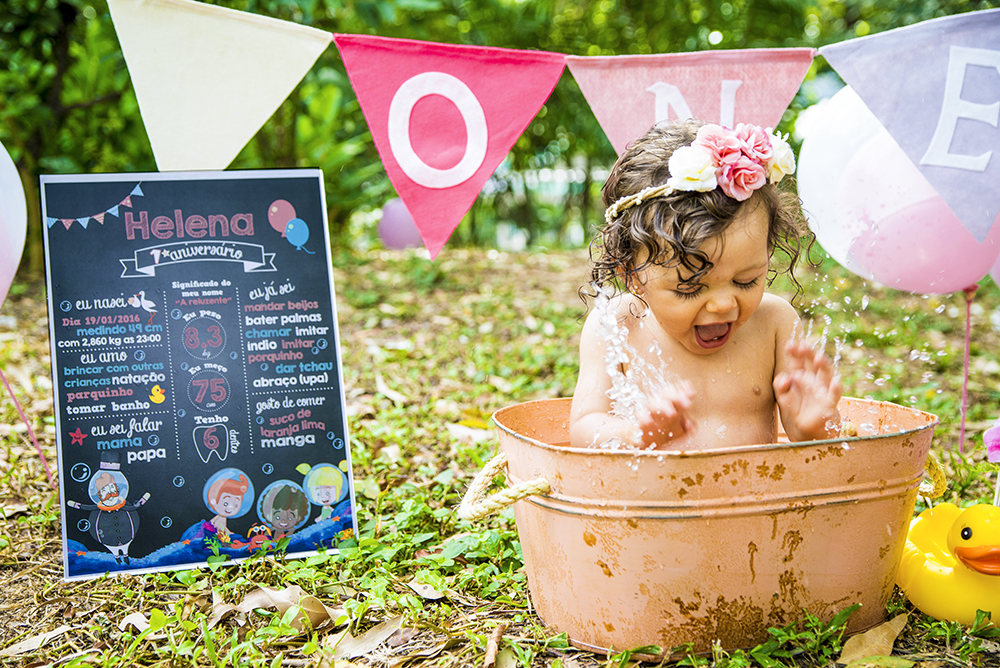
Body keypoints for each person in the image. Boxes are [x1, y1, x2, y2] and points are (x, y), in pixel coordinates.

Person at [570, 119, 842, 450]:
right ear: (632, 274)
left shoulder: (774, 322)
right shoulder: (617, 325)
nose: (723, 304)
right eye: (691, 288)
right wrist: (636, 435)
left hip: (756, 499)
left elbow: (817, 447)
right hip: (654, 501)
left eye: (746, 280)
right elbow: (585, 427)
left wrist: (813, 427)